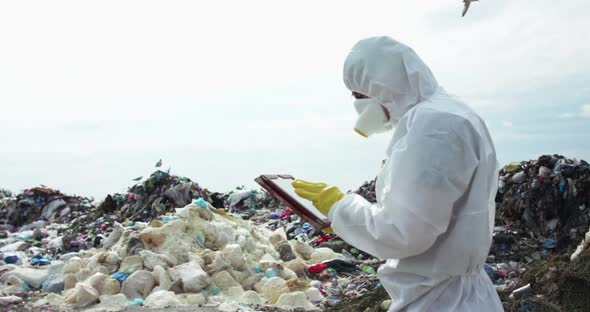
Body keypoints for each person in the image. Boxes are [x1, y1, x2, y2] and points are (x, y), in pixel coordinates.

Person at [292, 36, 503, 311]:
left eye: (358, 95)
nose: (357, 105)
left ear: (383, 86)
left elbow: (402, 232)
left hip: (440, 301)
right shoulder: (450, 113)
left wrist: (339, 206)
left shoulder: (434, 126)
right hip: (454, 295)